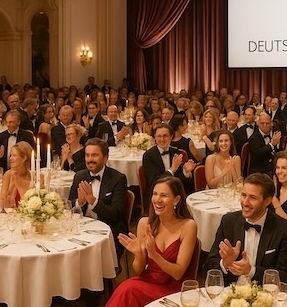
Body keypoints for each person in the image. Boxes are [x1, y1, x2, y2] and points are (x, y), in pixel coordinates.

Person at [106, 177, 198, 307]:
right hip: (148, 281)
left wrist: (154, 255)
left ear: (176, 200)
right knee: (126, 289)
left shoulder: (188, 226)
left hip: (174, 290)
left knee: (128, 290)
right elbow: (139, 271)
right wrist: (139, 254)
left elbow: (178, 273)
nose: (157, 200)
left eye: (164, 195)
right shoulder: (144, 223)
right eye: (155, 194)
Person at [205, 173, 287, 286]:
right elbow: (209, 266)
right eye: (243, 195)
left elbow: (285, 279)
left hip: (265, 294)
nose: (245, 202)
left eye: (252, 198)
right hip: (229, 292)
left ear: (267, 201)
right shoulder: (228, 222)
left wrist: (251, 271)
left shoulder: (284, 230)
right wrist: (225, 263)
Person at [69, 138, 128, 258]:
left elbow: (115, 214)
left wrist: (93, 201)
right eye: (87, 155)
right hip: (81, 230)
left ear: (105, 158)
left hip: (108, 233)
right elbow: (69, 205)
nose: (90, 159)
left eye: (94, 155)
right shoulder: (79, 176)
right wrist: (79, 203)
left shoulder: (118, 179)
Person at [142, 124, 196, 210]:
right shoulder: (148, 156)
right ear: (155, 137)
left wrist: (185, 172)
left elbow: (180, 180)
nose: (162, 139)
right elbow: (154, 181)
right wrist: (172, 170)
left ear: (171, 137)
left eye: (165, 136)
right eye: (159, 136)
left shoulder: (176, 152)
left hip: (175, 195)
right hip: (156, 197)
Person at [0, 142, 34, 209]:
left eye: (14, 155)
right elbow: (0, 204)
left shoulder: (34, 178)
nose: (11, 158)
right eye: (10, 155)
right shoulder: (8, 175)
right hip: (10, 214)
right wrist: (11, 188)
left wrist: (17, 184)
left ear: (24, 158)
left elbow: (30, 206)